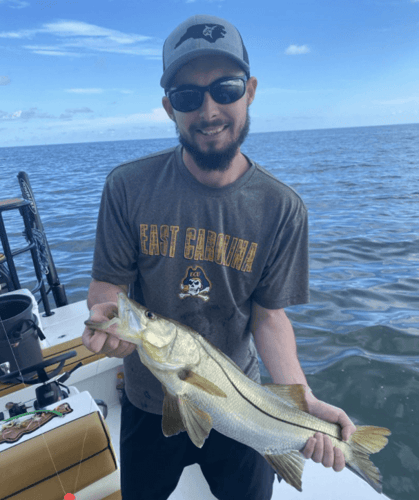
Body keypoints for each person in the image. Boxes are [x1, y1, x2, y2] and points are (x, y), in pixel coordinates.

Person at [82, 14, 356, 500]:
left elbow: (269, 318)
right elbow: (109, 289)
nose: (208, 110)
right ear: (169, 108)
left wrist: (304, 399)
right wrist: (108, 318)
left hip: (243, 401)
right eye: (188, 96)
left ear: (250, 91)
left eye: (225, 89)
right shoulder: (126, 187)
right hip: (149, 402)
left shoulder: (282, 207)